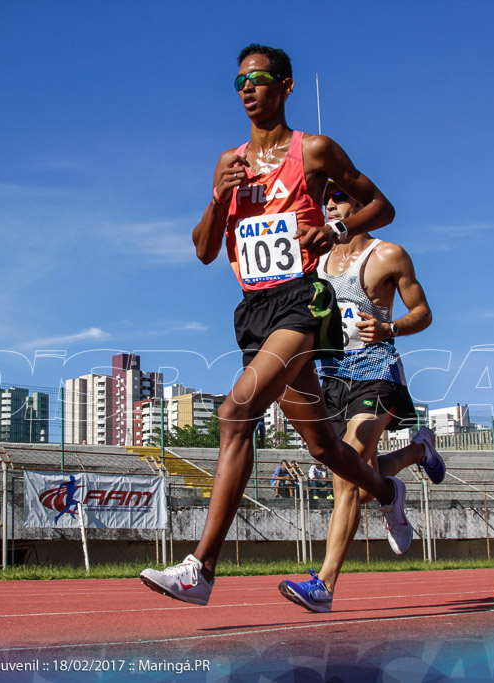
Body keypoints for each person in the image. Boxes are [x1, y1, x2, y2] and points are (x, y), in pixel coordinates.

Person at [140, 44, 405, 606]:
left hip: (303, 303)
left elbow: (381, 206)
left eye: (259, 79)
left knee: (236, 413)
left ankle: (201, 568)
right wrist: (218, 194)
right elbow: (205, 251)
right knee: (325, 449)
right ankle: (386, 488)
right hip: (254, 313)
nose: (247, 89)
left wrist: (336, 232)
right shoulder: (229, 162)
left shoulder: (314, 152)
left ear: (285, 86)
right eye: (238, 82)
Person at [277, 185, 445, 613]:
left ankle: (324, 585)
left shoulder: (388, 255)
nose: (329, 205)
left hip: (377, 374)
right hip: (331, 377)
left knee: (347, 475)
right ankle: (408, 464)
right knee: (356, 479)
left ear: (362, 208)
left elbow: (423, 311)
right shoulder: (315, 261)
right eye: (326, 199)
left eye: (340, 197)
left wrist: (391, 329)